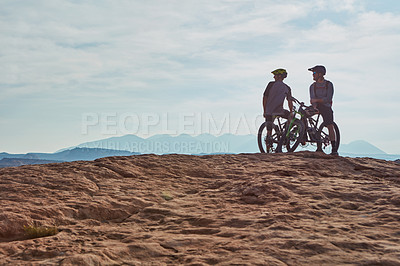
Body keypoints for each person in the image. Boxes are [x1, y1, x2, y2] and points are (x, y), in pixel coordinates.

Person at [308, 65, 338, 155]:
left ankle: (334, 148)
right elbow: (312, 99)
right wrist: (314, 106)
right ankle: (304, 137)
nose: (313, 75)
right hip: (316, 106)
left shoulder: (328, 84)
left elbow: (328, 99)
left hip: (326, 106)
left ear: (320, 74)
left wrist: (316, 101)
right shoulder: (312, 86)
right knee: (303, 113)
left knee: (330, 125)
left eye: (314, 73)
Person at [263, 68, 293, 147]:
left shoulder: (270, 84)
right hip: (279, 110)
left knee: (269, 131)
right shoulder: (287, 87)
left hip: (269, 110)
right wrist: (291, 111)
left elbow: (265, 98)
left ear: (279, 76)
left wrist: (264, 110)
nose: (274, 77)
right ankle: (286, 134)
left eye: (275, 75)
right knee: (290, 116)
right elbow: (290, 101)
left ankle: (267, 150)